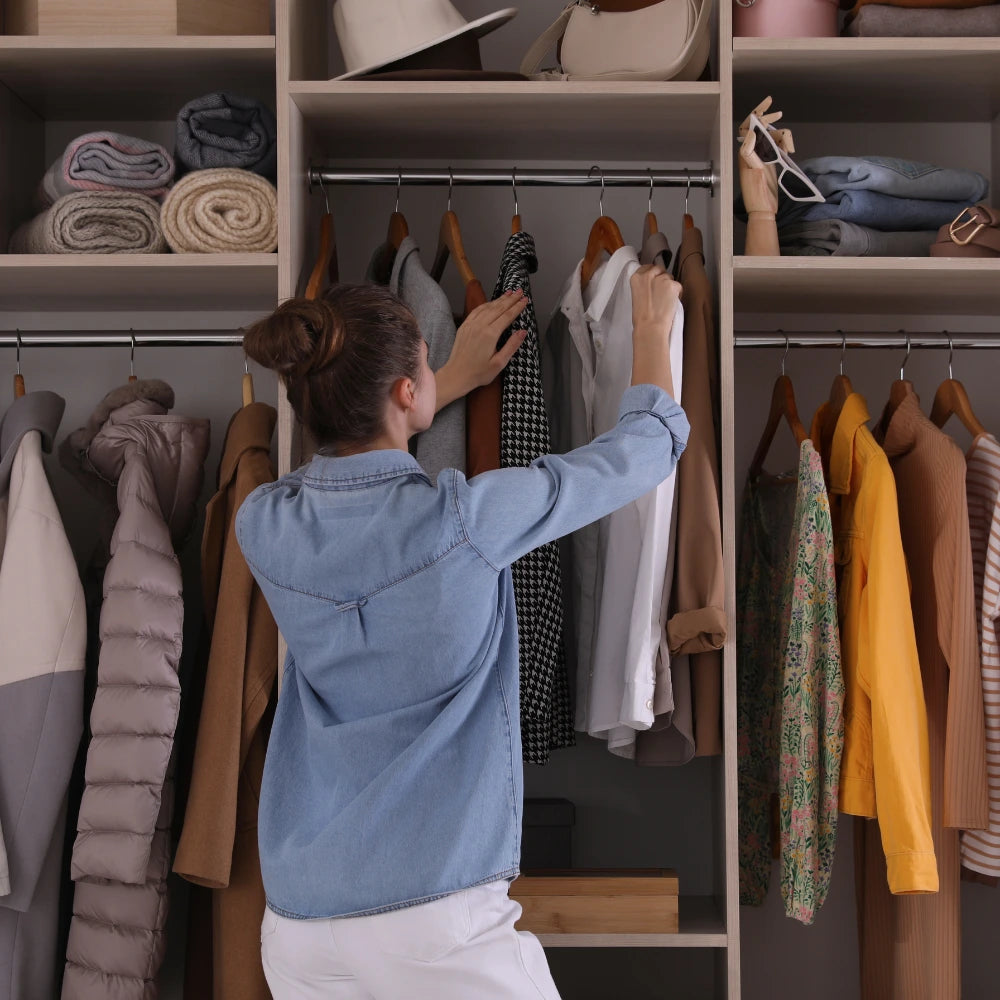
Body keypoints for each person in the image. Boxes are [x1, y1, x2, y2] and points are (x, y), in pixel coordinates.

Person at [237, 267, 689, 999]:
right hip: (429, 917)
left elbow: (339, 473)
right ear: (405, 392)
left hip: (299, 922)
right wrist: (649, 329)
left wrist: (431, 387)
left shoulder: (262, 525)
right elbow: (645, 447)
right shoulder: (468, 522)